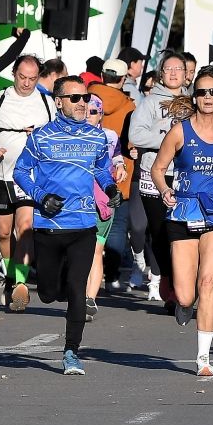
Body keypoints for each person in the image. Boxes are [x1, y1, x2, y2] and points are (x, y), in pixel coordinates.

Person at [13, 76, 119, 376]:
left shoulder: (96, 137)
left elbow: (101, 169)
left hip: (83, 225)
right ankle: (49, 287)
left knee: (76, 289)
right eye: (75, 98)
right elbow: (21, 171)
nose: (82, 103)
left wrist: (110, 189)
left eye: (85, 98)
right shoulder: (41, 137)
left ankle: (72, 351)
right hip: (49, 226)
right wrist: (40, 197)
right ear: (59, 102)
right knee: (48, 292)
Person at [150, 69, 213, 376]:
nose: (208, 98)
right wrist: (166, 190)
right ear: (195, 97)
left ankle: (203, 358)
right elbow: (158, 168)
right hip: (183, 212)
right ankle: (182, 303)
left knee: (208, 282)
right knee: (185, 294)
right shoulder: (180, 131)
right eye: (203, 92)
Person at [0, 55, 54, 310]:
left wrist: (41, 136)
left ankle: (19, 280)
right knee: (4, 232)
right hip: (1, 173)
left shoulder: (46, 102)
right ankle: (11, 274)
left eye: (32, 78)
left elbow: (56, 134)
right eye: (22, 77)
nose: (27, 83)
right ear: (13, 74)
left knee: (25, 226)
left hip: (31, 176)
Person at [128, 50, 188, 302]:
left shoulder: (195, 101)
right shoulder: (150, 102)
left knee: (183, 233)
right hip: (156, 174)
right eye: (169, 69)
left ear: (186, 75)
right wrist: (169, 140)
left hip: (186, 175)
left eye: (179, 69)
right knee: (160, 232)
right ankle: (164, 282)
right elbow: (136, 135)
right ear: (161, 74)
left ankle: (181, 284)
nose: (173, 73)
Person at [88, 59, 135, 291]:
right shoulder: (129, 106)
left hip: (82, 177)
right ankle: (112, 277)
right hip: (117, 172)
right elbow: (130, 141)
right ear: (123, 78)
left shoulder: (86, 99)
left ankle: (80, 273)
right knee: (115, 226)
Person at [83, 95, 127, 320]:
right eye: (84, 110)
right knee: (79, 250)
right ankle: (78, 294)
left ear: (101, 114)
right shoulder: (72, 136)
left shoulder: (110, 136)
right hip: (77, 200)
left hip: (103, 200)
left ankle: (89, 299)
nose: (88, 115)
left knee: (96, 250)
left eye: (93, 111)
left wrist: (121, 167)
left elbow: (117, 157)